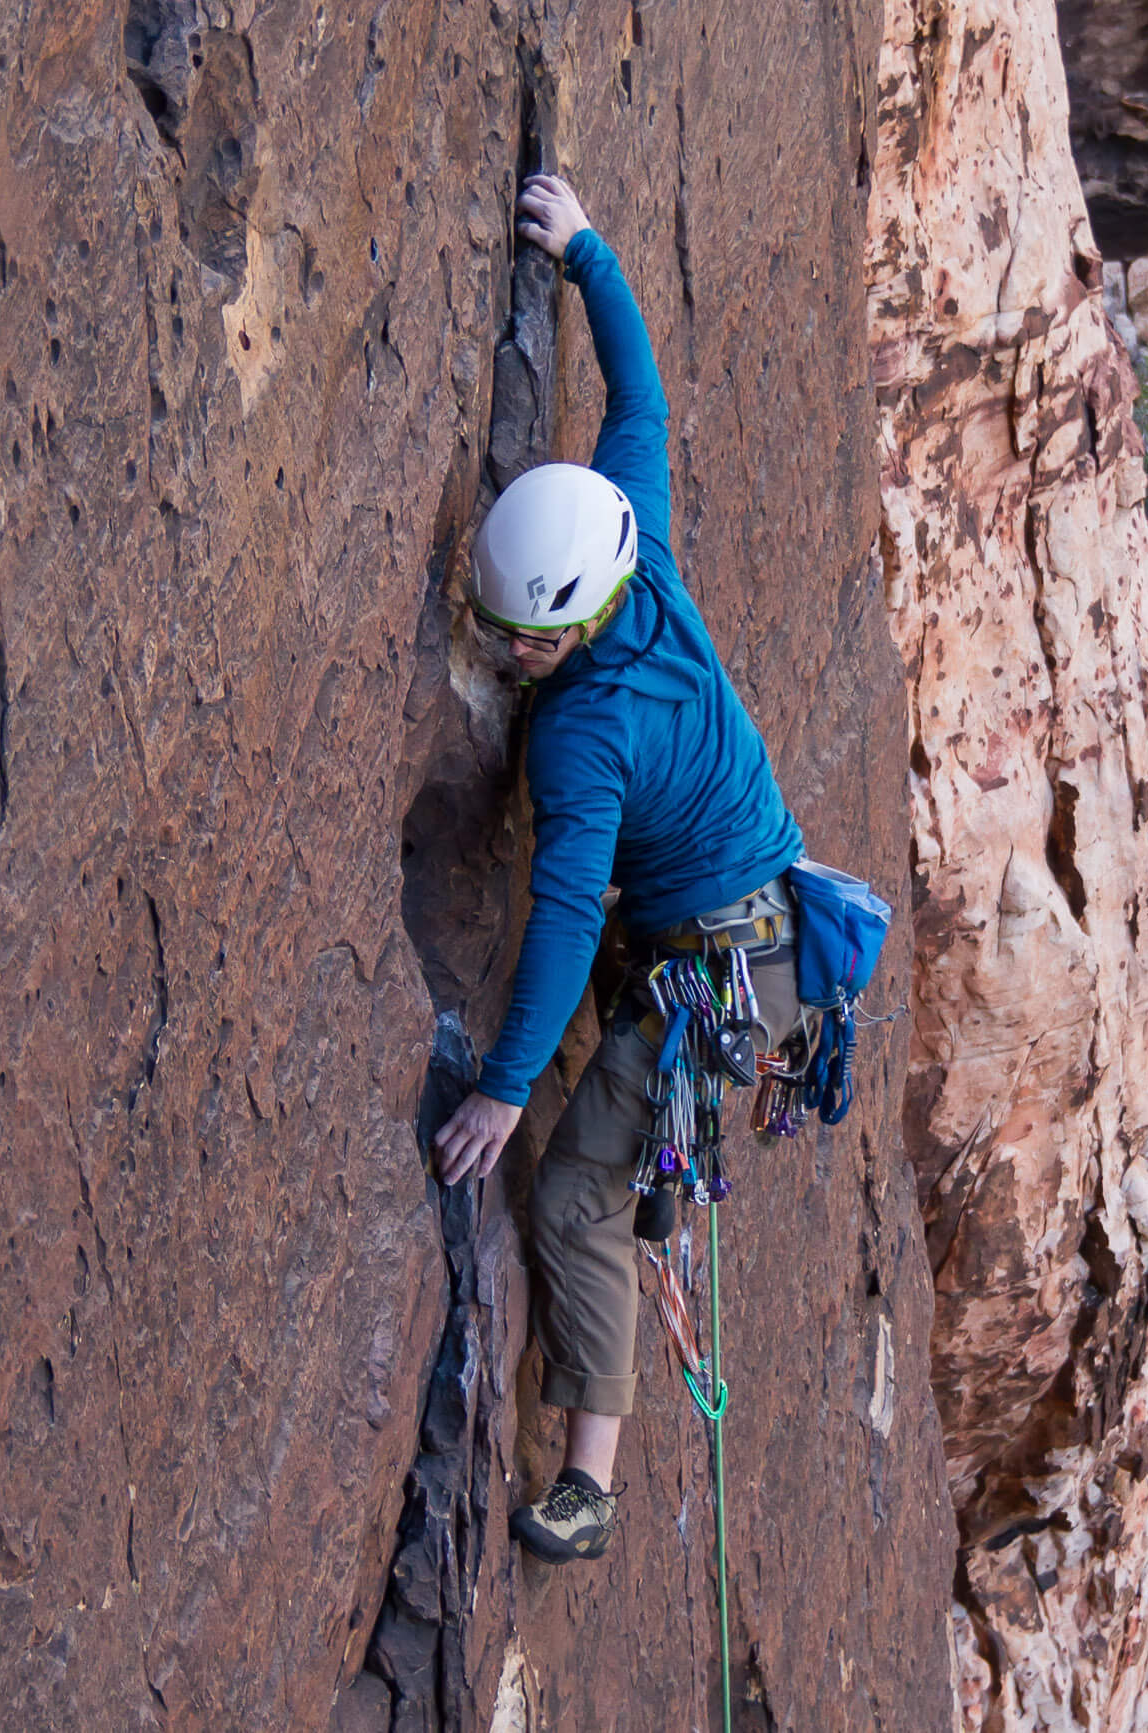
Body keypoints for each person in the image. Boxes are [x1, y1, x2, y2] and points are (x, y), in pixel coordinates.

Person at [430, 174, 808, 1566]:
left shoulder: (586, 736)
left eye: (519, 639)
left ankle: (589, 1482)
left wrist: (505, 1088)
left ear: (570, 628)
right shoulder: (628, 539)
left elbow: (554, 914)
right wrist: (583, 247)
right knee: (611, 1109)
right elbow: (637, 403)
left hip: (719, 972)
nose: (503, 651)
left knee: (575, 1188)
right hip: (741, 925)